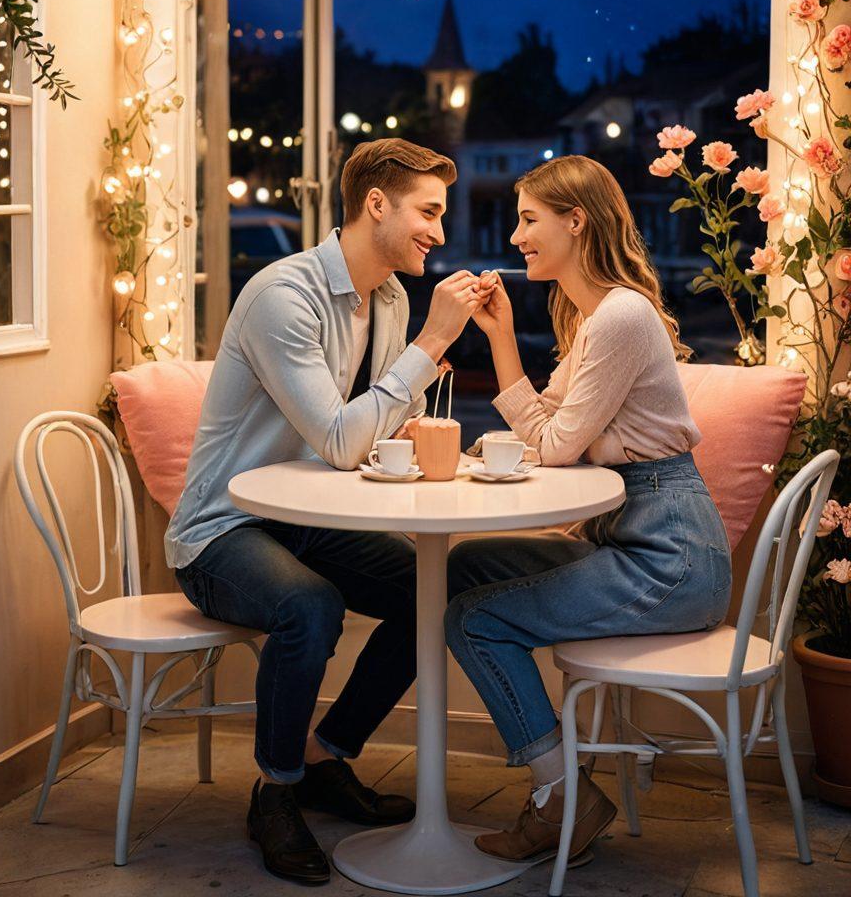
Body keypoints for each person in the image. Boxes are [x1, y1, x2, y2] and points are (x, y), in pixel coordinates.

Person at [168, 140, 489, 885]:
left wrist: (403, 427)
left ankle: (323, 758)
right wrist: (435, 342)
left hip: (303, 520)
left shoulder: (389, 299)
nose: (439, 233)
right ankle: (274, 793)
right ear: (376, 205)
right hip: (222, 529)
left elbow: (360, 433)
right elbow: (344, 442)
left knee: (437, 594)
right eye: (428, 212)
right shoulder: (285, 295)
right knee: (309, 608)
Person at [444, 154, 732, 865]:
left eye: (530, 221)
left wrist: (542, 438)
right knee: (468, 565)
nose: (516, 239)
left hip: (669, 558)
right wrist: (503, 339)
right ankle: (559, 782)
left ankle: (563, 800)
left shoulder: (620, 318)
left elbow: (554, 444)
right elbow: (547, 426)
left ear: (576, 222)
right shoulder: (594, 316)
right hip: (634, 539)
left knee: (472, 619)